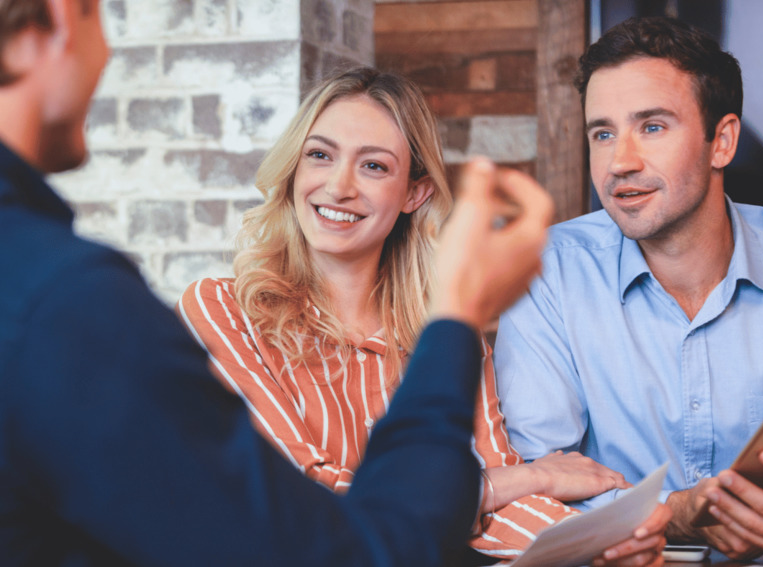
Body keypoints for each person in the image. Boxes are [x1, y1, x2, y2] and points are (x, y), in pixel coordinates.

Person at [0, 0, 671, 565]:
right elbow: (349, 553)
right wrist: (460, 312)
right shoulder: (60, 305)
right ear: (50, 25)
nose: (105, 55)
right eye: (101, 13)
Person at [178, 67, 666, 564]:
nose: (339, 187)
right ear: (294, 170)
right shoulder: (221, 310)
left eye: (374, 167)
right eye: (319, 156)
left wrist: (598, 545)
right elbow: (308, 500)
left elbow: (501, 507)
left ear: (416, 194)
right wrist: (530, 476)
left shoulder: (450, 332)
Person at [493, 15, 763, 560]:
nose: (620, 162)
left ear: (722, 141)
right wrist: (677, 512)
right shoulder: (545, 274)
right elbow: (535, 485)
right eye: (603, 133)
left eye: (651, 126)